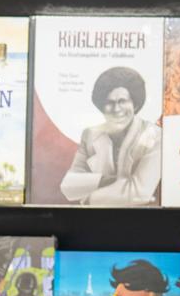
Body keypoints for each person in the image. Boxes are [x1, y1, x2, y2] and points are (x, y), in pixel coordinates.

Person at [59, 66, 161, 205]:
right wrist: (107, 179)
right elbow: (68, 186)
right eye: (109, 103)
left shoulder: (155, 136)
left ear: (135, 104)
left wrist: (89, 200)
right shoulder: (90, 135)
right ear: (102, 106)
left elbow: (139, 192)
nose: (116, 109)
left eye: (122, 101)